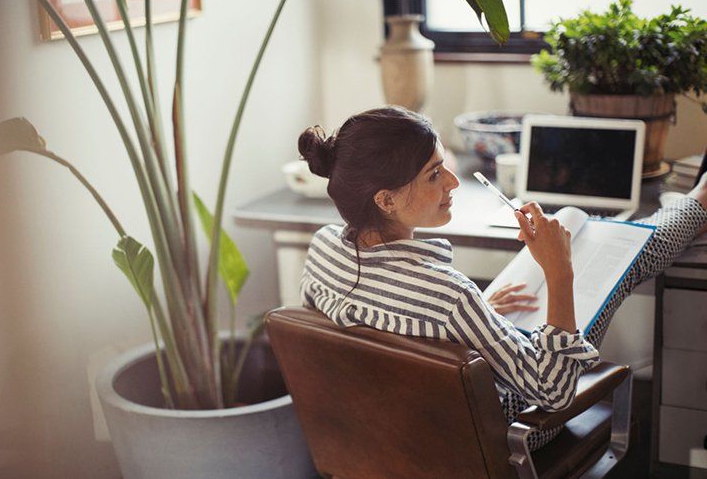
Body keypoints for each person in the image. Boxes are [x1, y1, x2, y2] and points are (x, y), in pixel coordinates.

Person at [297, 106, 707, 449]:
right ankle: (696, 203)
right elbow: (553, 393)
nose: (453, 183)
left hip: (384, 437)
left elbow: (373, 334)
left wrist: (459, 325)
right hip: (488, 440)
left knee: (604, 257)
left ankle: (688, 207)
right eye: (434, 174)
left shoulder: (323, 249)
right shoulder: (449, 298)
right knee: (622, 261)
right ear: (385, 199)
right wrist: (559, 272)